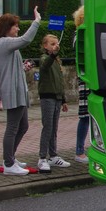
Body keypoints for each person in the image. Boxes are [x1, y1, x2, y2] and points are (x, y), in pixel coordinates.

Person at [0, 7, 42, 175]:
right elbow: (26, 39)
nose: (18, 29)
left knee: (23, 126)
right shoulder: (4, 42)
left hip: (18, 90)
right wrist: (36, 21)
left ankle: (10, 158)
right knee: (13, 127)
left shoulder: (6, 44)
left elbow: (10, 67)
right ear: (7, 27)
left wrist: (22, 67)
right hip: (12, 91)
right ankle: (8, 163)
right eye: (15, 26)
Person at [37, 34, 71, 173]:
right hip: (47, 97)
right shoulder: (45, 58)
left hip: (56, 98)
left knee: (54, 128)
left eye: (56, 44)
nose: (55, 46)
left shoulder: (56, 61)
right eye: (52, 44)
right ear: (45, 46)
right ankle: (42, 157)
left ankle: (53, 155)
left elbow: (60, 81)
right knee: (47, 127)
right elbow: (45, 65)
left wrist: (63, 100)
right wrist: (53, 55)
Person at [73, 6, 90, 163]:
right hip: (86, 79)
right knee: (85, 116)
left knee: (89, 116)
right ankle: (79, 151)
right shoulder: (80, 35)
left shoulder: (82, 34)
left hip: (89, 78)